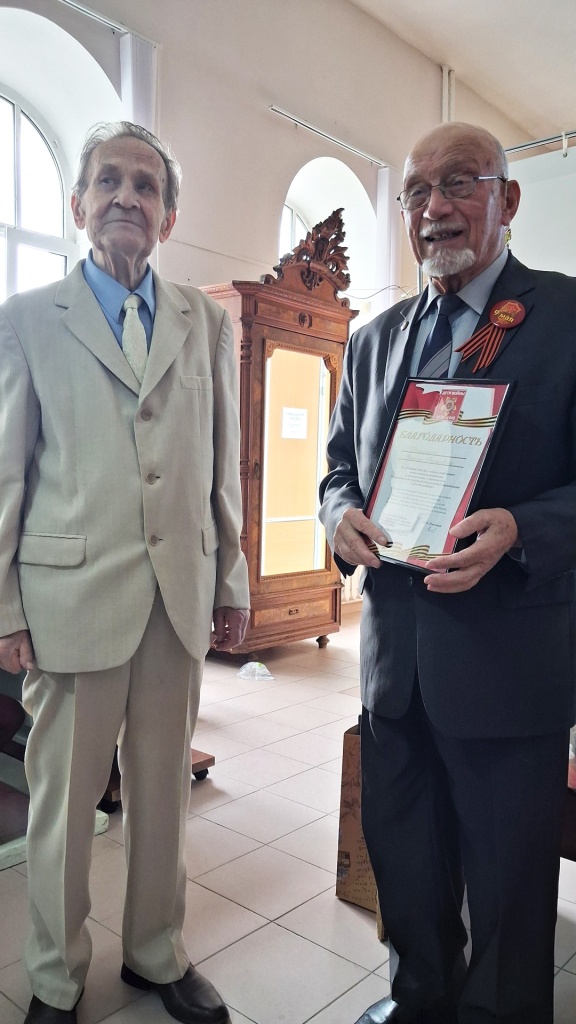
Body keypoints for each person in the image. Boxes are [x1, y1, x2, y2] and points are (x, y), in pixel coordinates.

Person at [319, 121, 576, 1024]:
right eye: (417, 191)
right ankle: (417, 999)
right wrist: (337, 514)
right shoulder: (374, 338)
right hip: (395, 670)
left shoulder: (567, 317)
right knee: (406, 866)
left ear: (509, 199)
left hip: (510, 669)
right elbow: (338, 468)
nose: (435, 208)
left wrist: (522, 527)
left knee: (507, 892)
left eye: (461, 182)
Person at [0, 121, 250, 1024]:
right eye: (109, 180)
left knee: (162, 794)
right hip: (69, 598)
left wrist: (231, 581)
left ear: (168, 217)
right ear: (79, 204)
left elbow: (222, 466)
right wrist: (4, 606)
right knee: (63, 808)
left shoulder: (205, 321)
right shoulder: (29, 318)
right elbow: (7, 472)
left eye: (146, 186)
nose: (127, 198)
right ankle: (55, 977)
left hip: (177, 599)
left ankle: (155, 952)